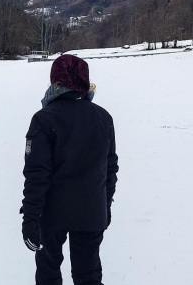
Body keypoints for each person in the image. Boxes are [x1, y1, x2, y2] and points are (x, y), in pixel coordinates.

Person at [21, 54, 119, 285]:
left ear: (55, 82)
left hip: (52, 213)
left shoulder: (44, 119)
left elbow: (36, 174)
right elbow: (110, 168)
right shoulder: (103, 118)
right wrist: (105, 205)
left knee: (48, 274)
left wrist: (31, 218)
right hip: (91, 211)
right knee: (89, 276)